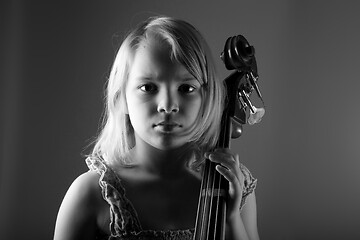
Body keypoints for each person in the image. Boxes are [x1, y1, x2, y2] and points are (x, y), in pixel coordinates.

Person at [54, 16, 260, 240]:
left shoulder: (232, 184)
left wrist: (230, 220)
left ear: (208, 98)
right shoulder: (90, 194)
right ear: (120, 98)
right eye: (148, 87)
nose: (168, 105)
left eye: (186, 88)